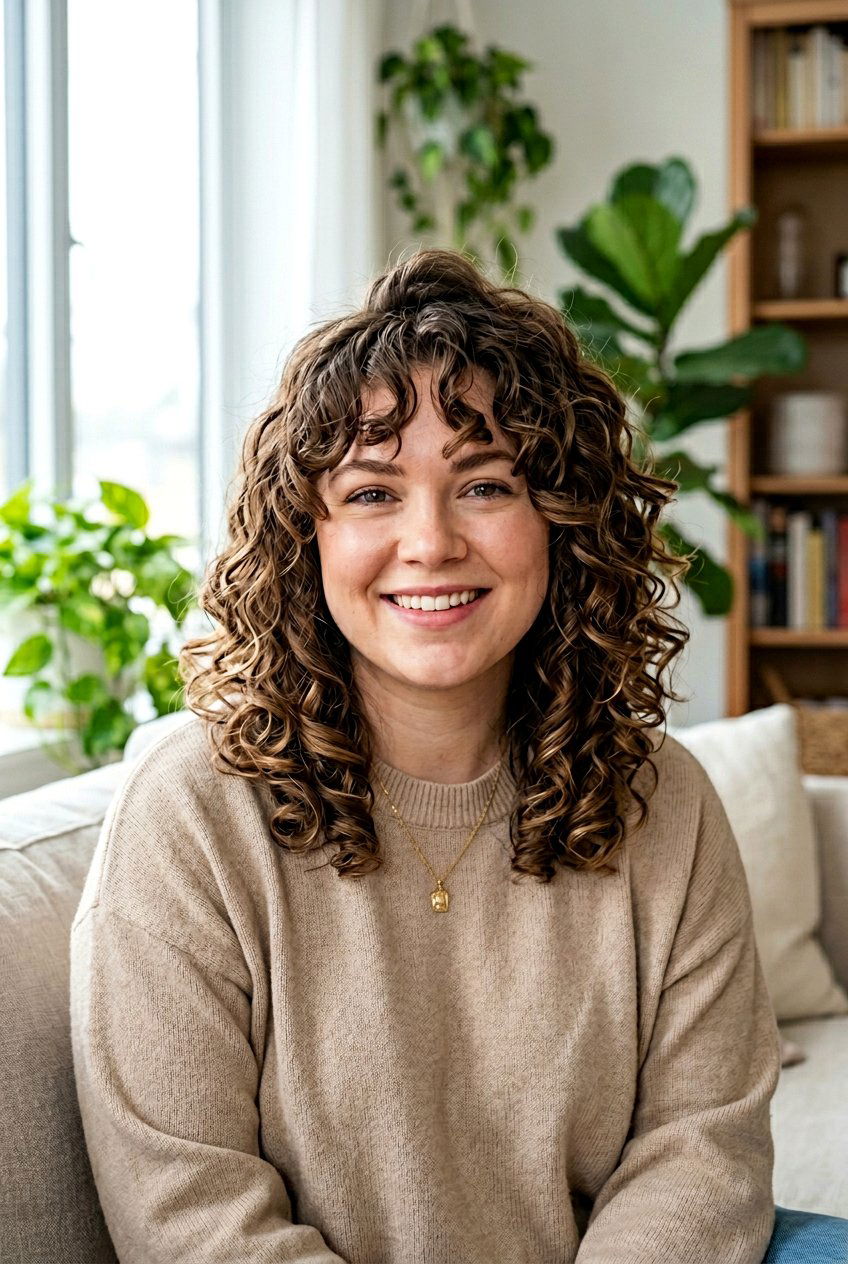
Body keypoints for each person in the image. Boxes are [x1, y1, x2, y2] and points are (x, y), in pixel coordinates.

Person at [69, 247, 847, 1263]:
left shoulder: (662, 799)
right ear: (304, 534)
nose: (429, 542)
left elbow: (698, 1152)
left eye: (484, 484)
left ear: (562, 523)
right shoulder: (190, 807)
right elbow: (193, 1216)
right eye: (370, 493)